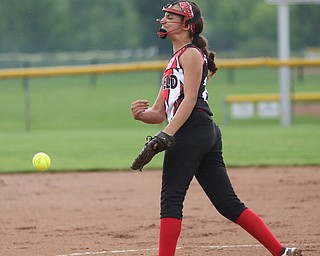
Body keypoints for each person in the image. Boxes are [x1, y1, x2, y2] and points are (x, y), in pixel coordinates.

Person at [130, 1, 302, 256]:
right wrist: (142, 115)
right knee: (228, 204)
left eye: (171, 16)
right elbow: (160, 112)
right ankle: (281, 251)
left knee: (171, 201)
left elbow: (189, 101)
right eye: (164, 16)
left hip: (190, 130)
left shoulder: (190, 54)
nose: (163, 20)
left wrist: (167, 134)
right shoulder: (175, 59)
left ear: (188, 25)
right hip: (203, 131)